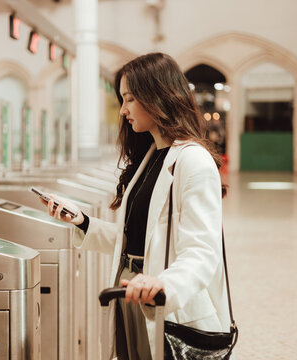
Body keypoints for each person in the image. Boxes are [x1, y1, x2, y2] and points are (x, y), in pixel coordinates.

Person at [41, 53, 232, 360]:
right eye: (122, 99)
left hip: (164, 302)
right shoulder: (151, 156)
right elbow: (136, 240)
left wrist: (163, 285)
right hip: (133, 293)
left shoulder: (191, 161)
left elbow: (202, 251)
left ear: (156, 95)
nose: (123, 110)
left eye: (129, 99)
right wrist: (83, 222)